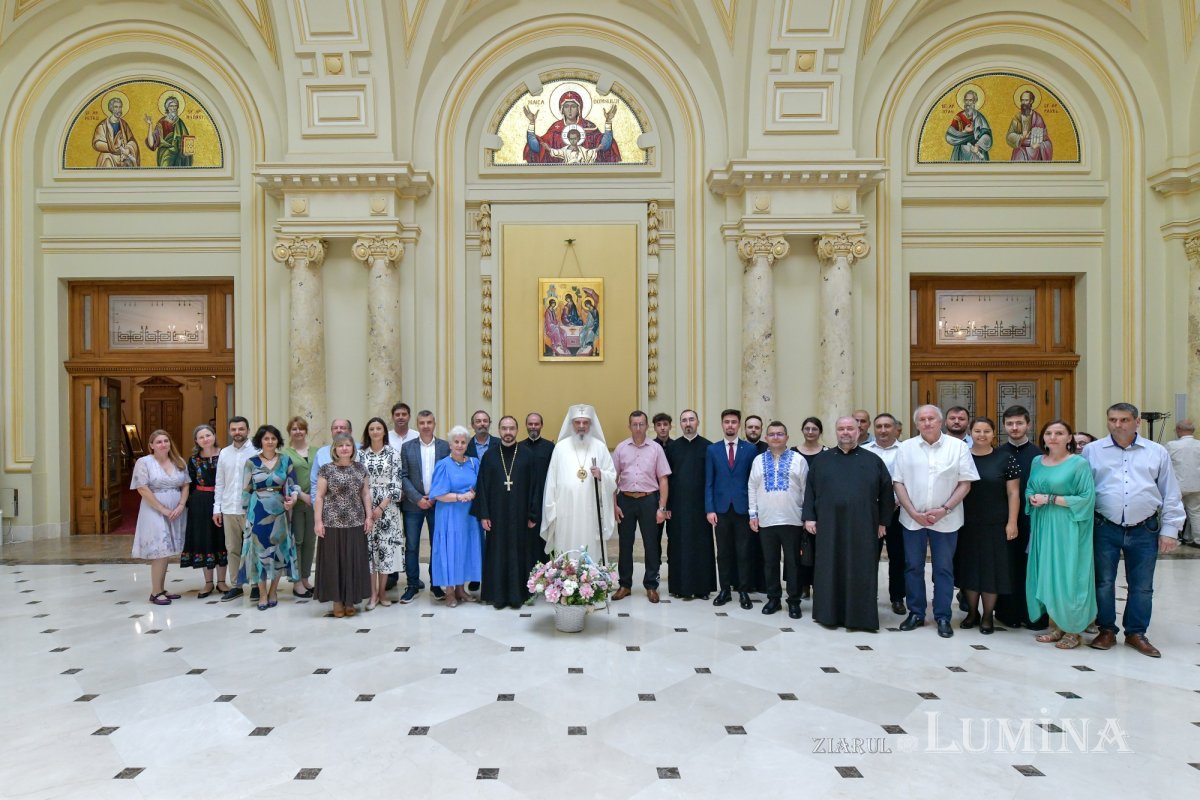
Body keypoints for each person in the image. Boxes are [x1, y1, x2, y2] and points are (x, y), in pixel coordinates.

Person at [1083, 403, 1185, 657]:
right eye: (1113, 420)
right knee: (1103, 582)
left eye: (1124, 420)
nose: (1118, 425)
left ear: (1137, 422)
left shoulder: (1156, 452)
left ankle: (1136, 633)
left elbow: (1170, 492)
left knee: (1141, 585)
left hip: (1144, 527)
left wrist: (1171, 529)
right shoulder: (1092, 451)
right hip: (1104, 525)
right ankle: (1106, 629)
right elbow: (1084, 490)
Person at [893, 405, 979, 638]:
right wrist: (912, 511)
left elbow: (966, 483)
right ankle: (916, 613)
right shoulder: (906, 448)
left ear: (940, 421)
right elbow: (898, 482)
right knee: (913, 567)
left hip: (946, 519)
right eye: (922, 419)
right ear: (917, 424)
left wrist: (944, 509)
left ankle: (943, 616)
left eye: (931, 418)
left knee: (943, 569)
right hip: (912, 519)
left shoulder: (958, 447)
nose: (927, 422)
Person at [802, 416, 894, 631]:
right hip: (828, 525)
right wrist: (809, 517)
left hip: (863, 526)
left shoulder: (873, 460)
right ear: (836, 432)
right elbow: (810, 491)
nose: (845, 432)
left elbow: (887, 493)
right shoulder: (822, 460)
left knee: (860, 568)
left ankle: (859, 617)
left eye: (850, 428)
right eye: (841, 428)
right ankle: (828, 614)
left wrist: (883, 522)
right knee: (829, 567)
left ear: (859, 431)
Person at [1026, 420, 1096, 649]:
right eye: (1048, 433)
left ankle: (1073, 630)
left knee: (1069, 575)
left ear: (1069, 438)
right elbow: (1029, 487)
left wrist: (1051, 499)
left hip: (1069, 526)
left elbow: (1087, 499)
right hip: (1043, 525)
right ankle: (1056, 626)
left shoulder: (1078, 464)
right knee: (1048, 574)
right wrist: (1031, 498)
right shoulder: (1038, 461)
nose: (1053, 437)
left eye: (1059, 433)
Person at [954, 417, 1020, 634]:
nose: (982, 435)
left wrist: (1012, 522)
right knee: (970, 569)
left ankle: (988, 616)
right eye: (977, 431)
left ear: (994, 434)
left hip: (996, 523)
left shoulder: (1005, 458)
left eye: (986, 431)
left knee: (992, 571)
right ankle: (972, 612)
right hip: (966, 523)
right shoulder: (961, 457)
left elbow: (1013, 493)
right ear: (970, 433)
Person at [472, 415, 539, 609]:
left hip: (521, 516)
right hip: (496, 516)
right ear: (499, 430)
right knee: (497, 553)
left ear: (517, 430)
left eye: (511, 428)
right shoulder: (490, 456)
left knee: (520, 554)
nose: (508, 432)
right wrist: (483, 514)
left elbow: (535, 487)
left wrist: (533, 514)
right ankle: (498, 596)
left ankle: (519, 595)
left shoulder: (527, 455)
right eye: (504, 428)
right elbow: (482, 487)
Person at [540, 404, 617, 559]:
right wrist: (551, 509)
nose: (581, 426)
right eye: (577, 422)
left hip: (591, 511)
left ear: (591, 424)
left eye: (585, 422)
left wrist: (601, 475)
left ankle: (592, 579)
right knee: (566, 545)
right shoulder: (560, 448)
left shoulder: (600, 447)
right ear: (571, 424)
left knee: (590, 548)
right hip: (565, 510)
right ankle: (565, 580)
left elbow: (612, 476)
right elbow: (551, 482)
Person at [236, 425, 299, 611]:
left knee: (279, 550)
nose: (270, 441)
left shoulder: (286, 460)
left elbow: (294, 487)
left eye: (273, 438)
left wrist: (293, 500)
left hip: (280, 511)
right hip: (257, 512)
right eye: (266, 438)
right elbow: (245, 490)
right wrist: (247, 515)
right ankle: (262, 593)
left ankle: (273, 590)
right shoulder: (251, 462)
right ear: (260, 441)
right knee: (259, 551)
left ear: (277, 440)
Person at [749, 422, 808, 618]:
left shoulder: (799, 460)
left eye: (780, 434)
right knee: (770, 562)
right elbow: (752, 487)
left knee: (793, 563)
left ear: (787, 437)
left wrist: (807, 517)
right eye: (772, 434)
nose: (776, 437)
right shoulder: (758, 460)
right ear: (766, 438)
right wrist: (752, 514)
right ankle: (773, 598)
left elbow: (807, 490)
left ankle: (793, 601)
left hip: (792, 520)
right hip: (766, 520)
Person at [994, 405, 1046, 630]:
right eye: (1010, 424)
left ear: (1028, 424)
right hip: (1003, 521)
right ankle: (1008, 613)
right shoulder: (997, 454)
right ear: (1004, 426)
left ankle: (1034, 615)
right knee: (1007, 566)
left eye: (1019, 423)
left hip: (1034, 520)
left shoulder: (1040, 456)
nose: (1014, 428)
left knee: (1033, 566)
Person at [612, 410, 671, 603]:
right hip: (626, 500)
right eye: (634, 424)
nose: (638, 428)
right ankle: (625, 585)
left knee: (651, 544)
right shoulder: (621, 448)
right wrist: (614, 505)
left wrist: (662, 508)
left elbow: (663, 480)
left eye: (641, 424)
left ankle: (652, 586)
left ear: (647, 426)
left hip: (648, 500)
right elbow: (613, 479)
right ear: (629, 426)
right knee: (625, 544)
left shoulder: (656, 449)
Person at [314, 433, 373, 618]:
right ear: (335, 449)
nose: (344, 448)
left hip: (355, 522)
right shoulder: (326, 469)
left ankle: (350, 600)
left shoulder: (360, 468)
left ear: (353, 449)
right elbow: (320, 496)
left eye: (348, 445)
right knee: (334, 564)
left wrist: (369, 517)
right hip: (332, 524)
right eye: (340, 446)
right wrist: (318, 521)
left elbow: (365, 494)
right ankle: (337, 601)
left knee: (352, 562)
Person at [705, 408, 759, 609]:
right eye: (726, 422)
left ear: (739, 425)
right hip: (720, 510)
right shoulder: (713, 449)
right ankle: (725, 589)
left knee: (744, 551)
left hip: (743, 508)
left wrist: (754, 510)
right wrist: (709, 509)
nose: (730, 425)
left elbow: (753, 482)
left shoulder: (750, 450)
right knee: (724, 552)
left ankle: (743, 591)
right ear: (722, 424)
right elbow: (709, 481)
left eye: (734, 422)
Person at [131, 430, 190, 605]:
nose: (163, 444)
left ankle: (161, 588)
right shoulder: (144, 462)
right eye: (158, 442)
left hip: (176, 509)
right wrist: (162, 509)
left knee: (167, 551)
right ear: (151, 445)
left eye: (166, 441)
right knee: (159, 549)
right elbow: (142, 488)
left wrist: (180, 505)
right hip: (154, 509)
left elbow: (186, 485)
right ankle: (155, 592)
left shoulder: (179, 461)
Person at [429, 426, 484, 607]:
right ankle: (450, 592)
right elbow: (437, 494)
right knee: (450, 549)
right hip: (449, 514)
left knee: (465, 549)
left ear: (467, 444)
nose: (460, 445)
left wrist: (474, 494)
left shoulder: (474, 463)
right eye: (456, 442)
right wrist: (460, 496)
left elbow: (480, 487)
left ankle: (461, 589)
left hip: (469, 516)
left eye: (463, 442)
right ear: (450, 444)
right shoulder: (443, 465)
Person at [665, 409, 716, 600]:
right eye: (684, 420)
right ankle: (680, 587)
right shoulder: (672, 448)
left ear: (698, 422)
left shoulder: (708, 447)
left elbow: (712, 479)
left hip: (701, 507)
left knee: (702, 546)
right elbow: (666, 479)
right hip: (677, 506)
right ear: (680, 424)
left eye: (691, 419)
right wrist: (667, 505)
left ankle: (703, 588)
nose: (688, 423)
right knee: (678, 545)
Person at [399, 410, 449, 602]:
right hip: (413, 505)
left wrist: (435, 496)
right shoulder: (407, 447)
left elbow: (447, 475)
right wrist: (418, 497)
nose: (426, 425)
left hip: (438, 504)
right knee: (411, 546)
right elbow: (403, 476)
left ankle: (436, 584)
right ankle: (412, 584)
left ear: (434, 424)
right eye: (422, 423)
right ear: (417, 425)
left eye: (429, 422)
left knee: (437, 545)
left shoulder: (444, 447)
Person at [862, 413, 906, 615]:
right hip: (871, 514)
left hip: (900, 512)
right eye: (879, 426)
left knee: (898, 557)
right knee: (869, 556)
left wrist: (899, 501)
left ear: (896, 429)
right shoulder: (863, 451)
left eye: (887, 426)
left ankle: (897, 598)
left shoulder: (907, 451)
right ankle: (868, 596)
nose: (883, 430)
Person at [358, 417, 403, 610]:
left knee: (385, 551)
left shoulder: (393, 454)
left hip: (388, 509)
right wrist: (370, 510)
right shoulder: (360, 455)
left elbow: (396, 483)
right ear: (368, 433)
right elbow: (358, 482)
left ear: (384, 432)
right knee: (369, 552)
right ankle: (372, 594)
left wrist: (381, 507)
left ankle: (383, 592)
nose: (375, 432)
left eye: (379, 428)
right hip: (365, 508)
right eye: (371, 429)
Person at [215, 416, 258, 602]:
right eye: (234, 429)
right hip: (229, 508)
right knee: (232, 548)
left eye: (241, 429)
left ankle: (256, 585)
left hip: (251, 508)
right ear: (230, 431)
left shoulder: (257, 451)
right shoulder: (224, 453)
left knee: (253, 548)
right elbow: (220, 482)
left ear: (248, 430)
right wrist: (217, 508)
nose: (237, 432)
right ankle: (236, 585)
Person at [181, 424, 225, 598]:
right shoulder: (193, 460)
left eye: (208, 435)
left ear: (214, 436)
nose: (205, 439)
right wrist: (192, 503)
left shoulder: (225, 454)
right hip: (200, 503)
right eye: (201, 437)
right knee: (205, 540)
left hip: (222, 501)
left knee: (221, 539)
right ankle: (208, 583)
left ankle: (222, 581)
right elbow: (189, 484)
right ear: (196, 441)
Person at [523, 91, 620, 164]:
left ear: (579, 109)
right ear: (562, 110)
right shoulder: (556, 128)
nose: (569, 110)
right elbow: (537, 147)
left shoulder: (589, 127)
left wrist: (608, 121)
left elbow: (605, 146)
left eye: (573, 106)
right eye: (566, 106)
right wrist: (532, 123)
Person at [281, 417, 316, 598]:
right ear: (289, 432)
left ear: (306, 431)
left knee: (310, 542)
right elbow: (286, 479)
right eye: (294, 429)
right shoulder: (285, 454)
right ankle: (296, 582)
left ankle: (305, 578)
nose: (298, 432)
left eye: (301, 429)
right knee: (298, 542)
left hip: (315, 504)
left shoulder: (316, 451)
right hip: (297, 503)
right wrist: (302, 495)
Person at [793, 417, 828, 600]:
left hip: (822, 509)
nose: (810, 432)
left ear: (820, 431)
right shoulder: (793, 453)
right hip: (797, 506)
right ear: (802, 430)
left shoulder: (828, 453)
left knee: (819, 549)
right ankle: (803, 585)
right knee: (801, 550)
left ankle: (819, 584)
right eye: (807, 428)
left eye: (814, 428)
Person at [1168, 420, 1200, 546]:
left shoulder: (1172, 445)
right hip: (1197, 485)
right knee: (1196, 513)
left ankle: (1174, 538)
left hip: (1177, 486)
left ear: (1178, 430)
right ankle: (1198, 540)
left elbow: (1164, 464)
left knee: (1174, 512)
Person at [142, 94, 192, 167]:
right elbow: (152, 143)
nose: (174, 108)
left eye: (175, 106)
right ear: (167, 108)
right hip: (166, 155)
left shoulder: (179, 122)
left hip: (179, 155)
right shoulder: (162, 123)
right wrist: (150, 125)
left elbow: (187, 139)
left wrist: (186, 151)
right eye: (171, 106)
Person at [92, 95, 139, 167]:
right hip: (109, 155)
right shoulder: (103, 126)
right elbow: (97, 143)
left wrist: (128, 149)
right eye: (116, 107)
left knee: (130, 163)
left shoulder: (124, 124)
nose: (119, 110)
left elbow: (131, 140)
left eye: (120, 107)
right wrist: (114, 147)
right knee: (106, 159)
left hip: (123, 155)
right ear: (111, 109)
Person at [945, 89, 992, 161]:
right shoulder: (959, 117)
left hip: (976, 153)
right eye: (966, 100)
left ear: (974, 102)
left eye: (970, 100)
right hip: (961, 153)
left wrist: (978, 145)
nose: (968, 103)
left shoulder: (979, 117)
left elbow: (987, 135)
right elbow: (949, 136)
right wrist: (964, 131)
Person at [1005, 90, 1053, 161]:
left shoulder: (1037, 118)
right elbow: (1009, 136)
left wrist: (1040, 145)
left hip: (1035, 151)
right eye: (1022, 100)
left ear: (1031, 101)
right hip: (1020, 150)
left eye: (1026, 100)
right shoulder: (1017, 118)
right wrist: (1022, 137)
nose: (1024, 103)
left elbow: (1045, 138)